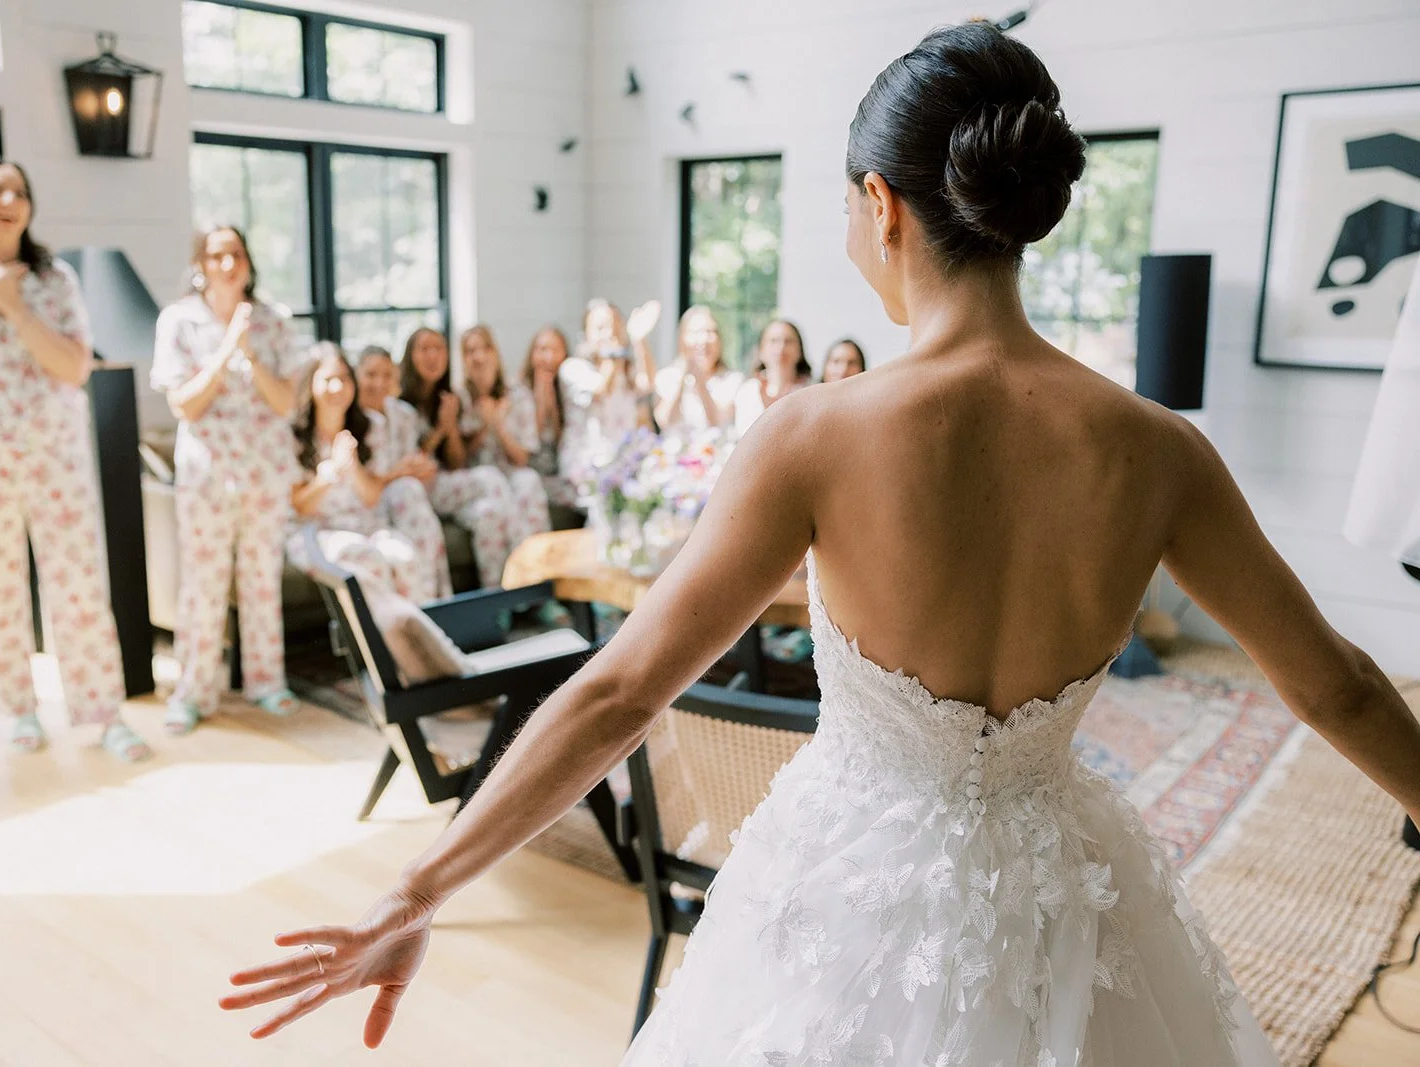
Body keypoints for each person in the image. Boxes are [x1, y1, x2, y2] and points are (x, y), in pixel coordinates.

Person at [221, 24, 1420, 1064]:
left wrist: (419, 885)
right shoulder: (1157, 450)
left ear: (883, 205)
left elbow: (623, 688)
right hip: (1066, 902)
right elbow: (1337, 685)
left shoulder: (815, 436)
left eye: (845, 205)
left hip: (850, 907)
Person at [0, 157, 148, 761]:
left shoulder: (53, 277)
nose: (8, 199)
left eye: (19, 190)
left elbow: (72, 367)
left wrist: (14, 306)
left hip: (54, 454)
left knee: (79, 584)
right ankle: (19, 708)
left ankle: (102, 711)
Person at [150, 225, 307, 734]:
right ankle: (193, 691)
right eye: (217, 254)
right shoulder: (179, 320)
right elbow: (185, 403)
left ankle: (266, 681)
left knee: (261, 581)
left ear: (248, 262)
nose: (227, 263)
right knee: (203, 584)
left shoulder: (273, 321)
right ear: (201, 263)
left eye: (235, 253)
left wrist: (252, 351)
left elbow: (285, 402)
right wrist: (224, 351)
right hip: (208, 474)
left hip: (265, 471)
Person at [292, 342, 447, 603]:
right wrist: (330, 474)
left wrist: (352, 465)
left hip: (367, 526)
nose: (338, 387)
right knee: (368, 559)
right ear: (311, 384)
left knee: (405, 557)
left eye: (344, 379)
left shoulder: (369, 427)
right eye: (329, 379)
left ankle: (423, 636)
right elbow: (298, 506)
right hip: (319, 532)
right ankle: (379, 643)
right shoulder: (295, 434)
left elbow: (372, 497)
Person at [381, 327, 532, 588]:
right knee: (490, 476)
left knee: (490, 514)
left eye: (438, 349)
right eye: (424, 349)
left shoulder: (447, 398)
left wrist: (449, 427)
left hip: (441, 484)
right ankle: (530, 573)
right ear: (409, 356)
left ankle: (500, 600)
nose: (433, 356)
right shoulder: (398, 402)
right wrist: (441, 429)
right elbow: (410, 462)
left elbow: (456, 462)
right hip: (414, 491)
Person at [353, 344, 455, 598]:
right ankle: (431, 601)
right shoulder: (349, 417)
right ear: (357, 375)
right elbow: (359, 482)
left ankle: (437, 600)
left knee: (415, 501)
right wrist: (399, 473)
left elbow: (414, 461)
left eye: (387, 375)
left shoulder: (404, 415)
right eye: (370, 374)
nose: (379, 383)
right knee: (408, 493)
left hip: (407, 498)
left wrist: (420, 467)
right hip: (368, 503)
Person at [458, 324, 553, 538]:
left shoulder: (518, 395)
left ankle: (536, 564)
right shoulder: (459, 399)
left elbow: (522, 458)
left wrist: (498, 424)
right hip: (479, 482)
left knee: (529, 481)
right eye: (470, 351)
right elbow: (458, 461)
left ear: (495, 352)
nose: (479, 357)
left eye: (485, 348)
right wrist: (485, 426)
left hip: (511, 472)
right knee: (491, 509)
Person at [563, 299, 660, 494]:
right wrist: (614, 352)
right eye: (600, 328)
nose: (609, 333)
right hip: (586, 466)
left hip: (624, 461)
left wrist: (639, 339)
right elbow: (601, 391)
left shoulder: (626, 371)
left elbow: (648, 383)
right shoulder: (574, 368)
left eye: (615, 326)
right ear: (585, 334)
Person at [653, 305, 744, 435]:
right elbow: (665, 421)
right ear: (683, 338)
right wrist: (684, 376)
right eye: (696, 332)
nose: (704, 340)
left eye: (710, 332)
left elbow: (717, 422)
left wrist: (699, 380)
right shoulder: (667, 376)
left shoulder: (733, 380)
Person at [520, 325, 583, 508]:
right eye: (542, 350)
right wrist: (541, 401)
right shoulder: (520, 391)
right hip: (531, 472)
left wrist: (553, 406)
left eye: (555, 350)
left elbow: (563, 441)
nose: (549, 358)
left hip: (562, 470)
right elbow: (529, 443)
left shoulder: (571, 391)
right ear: (532, 354)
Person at [733, 318, 812, 434]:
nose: (781, 347)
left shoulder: (812, 390)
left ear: (800, 350)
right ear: (761, 350)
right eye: (773, 341)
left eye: (788, 341)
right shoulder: (749, 391)